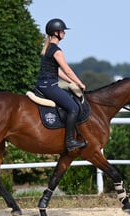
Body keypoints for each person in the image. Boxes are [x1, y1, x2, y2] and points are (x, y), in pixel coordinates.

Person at [36, 18, 87, 151]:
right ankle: (70, 141)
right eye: (62, 30)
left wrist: (71, 82)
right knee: (74, 108)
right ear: (56, 33)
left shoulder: (47, 48)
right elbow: (67, 70)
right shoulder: (56, 51)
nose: (64, 33)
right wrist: (79, 83)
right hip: (50, 86)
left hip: (43, 84)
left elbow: (57, 71)